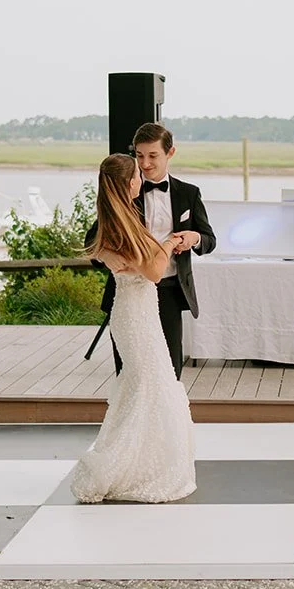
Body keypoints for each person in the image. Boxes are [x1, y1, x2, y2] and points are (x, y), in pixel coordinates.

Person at [70, 152, 196, 504]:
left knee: (145, 386)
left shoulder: (117, 219)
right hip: (134, 318)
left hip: (138, 314)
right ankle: (123, 467)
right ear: (130, 183)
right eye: (138, 173)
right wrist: (171, 242)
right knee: (149, 386)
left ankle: (143, 461)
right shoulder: (118, 226)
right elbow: (154, 272)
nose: (143, 177)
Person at [92, 122, 217, 379]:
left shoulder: (188, 194)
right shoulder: (126, 190)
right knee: (131, 372)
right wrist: (108, 257)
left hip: (171, 290)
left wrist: (194, 238)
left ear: (170, 153)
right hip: (130, 295)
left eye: (152, 155)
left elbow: (209, 239)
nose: (145, 163)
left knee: (170, 371)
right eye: (139, 156)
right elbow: (93, 240)